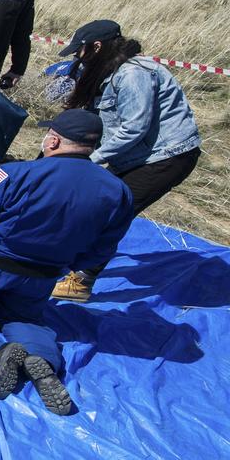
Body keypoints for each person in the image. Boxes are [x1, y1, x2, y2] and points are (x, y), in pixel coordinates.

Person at [0, 109, 132, 416]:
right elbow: (102, 249)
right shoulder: (118, 191)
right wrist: (66, 265)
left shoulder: (17, 173)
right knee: (24, 318)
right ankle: (44, 364)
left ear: (53, 140)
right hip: (45, 274)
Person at [51, 20, 202, 302]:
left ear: (96, 47)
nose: (76, 58)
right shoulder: (109, 71)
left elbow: (134, 128)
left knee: (114, 211)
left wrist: (90, 161)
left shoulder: (133, 75)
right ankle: (70, 256)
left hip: (166, 156)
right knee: (93, 204)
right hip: (135, 154)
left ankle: (81, 281)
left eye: (79, 52)